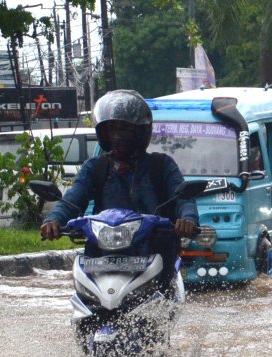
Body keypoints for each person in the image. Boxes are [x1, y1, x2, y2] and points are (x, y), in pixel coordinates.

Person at [40, 89, 198, 289]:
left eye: (124, 130)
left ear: (141, 132)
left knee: (164, 288)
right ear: (103, 134)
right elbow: (72, 199)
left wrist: (188, 220)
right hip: (102, 254)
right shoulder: (95, 167)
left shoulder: (162, 165)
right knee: (82, 301)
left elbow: (183, 198)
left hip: (153, 251)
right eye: (112, 130)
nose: (117, 137)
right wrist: (53, 220)